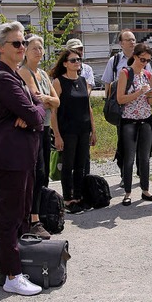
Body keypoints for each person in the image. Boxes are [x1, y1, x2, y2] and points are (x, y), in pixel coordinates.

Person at [0, 21, 45, 296]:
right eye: (16, 43)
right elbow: (37, 114)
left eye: (23, 42)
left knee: (21, 214)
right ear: (0, 48)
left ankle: (17, 265)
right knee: (10, 217)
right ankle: (12, 275)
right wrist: (33, 109)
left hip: (22, 157)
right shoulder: (4, 79)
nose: (22, 47)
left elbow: (38, 109)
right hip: (10, 158)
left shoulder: (14, 75)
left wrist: (34, 107)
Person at [18, 34, 60, 239]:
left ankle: (37, 214)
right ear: (25, 50)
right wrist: (48, 100)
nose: (39, 51)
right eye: (34, 47)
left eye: (41, 47)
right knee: (36, 173)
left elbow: (56, 101)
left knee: (42, 175)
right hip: (33, 130)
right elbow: (37, 100)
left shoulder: (43, 73)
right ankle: (31, 219)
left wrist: (49, 99)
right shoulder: (24, 72)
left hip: (45, 129)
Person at [50, 48, 97, 213]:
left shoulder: (83, 81)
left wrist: (94, 130)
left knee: (81, 165)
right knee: (68, 165)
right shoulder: (58, 82)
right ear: (65, 63)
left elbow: (88, 107)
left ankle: (78, 196)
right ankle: (68, 199)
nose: (77, 62)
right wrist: (56, 135)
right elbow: (53, 112)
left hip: (84, 129)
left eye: (78, 60)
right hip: (67, 131)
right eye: (73, 60)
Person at [102, 29, 152, 180]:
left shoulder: (144, 59)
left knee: (143, 145)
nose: (132, 42)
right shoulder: (115, 61)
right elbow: (108, 84)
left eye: (133, 39)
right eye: (128, 39)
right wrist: (110, 104)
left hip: (143, 111)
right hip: (124, 111)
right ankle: (125, 174)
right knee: (125, 145)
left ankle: (140, 173)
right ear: (121, 43)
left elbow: (149, 82)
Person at [115, 43, 152, 205]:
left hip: (145, 119)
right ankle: (127, 192)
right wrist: (138, 92)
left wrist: (150, 94)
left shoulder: (148, 75)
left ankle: (145, 190)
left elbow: (150, 101)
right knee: (129, 158)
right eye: (142, 59)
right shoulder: (125, 73)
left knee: (145, 157)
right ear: (134, 56)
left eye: (147, 60)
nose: (144, 63)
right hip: (129, 120)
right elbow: (120, 99)